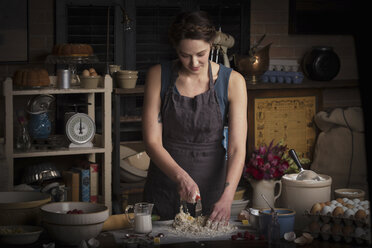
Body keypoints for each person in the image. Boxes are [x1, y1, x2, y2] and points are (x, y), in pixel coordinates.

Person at [142, 10, 247, 224]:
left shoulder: (234, 82)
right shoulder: (157, 75)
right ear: (175, 49)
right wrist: (181, 177)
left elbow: (237, 148)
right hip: (165, 185)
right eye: (184, 55)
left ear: (212, 45)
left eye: (201, 54)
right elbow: (152, 141)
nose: (194, 63)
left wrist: (227, 198)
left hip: (213, 189)